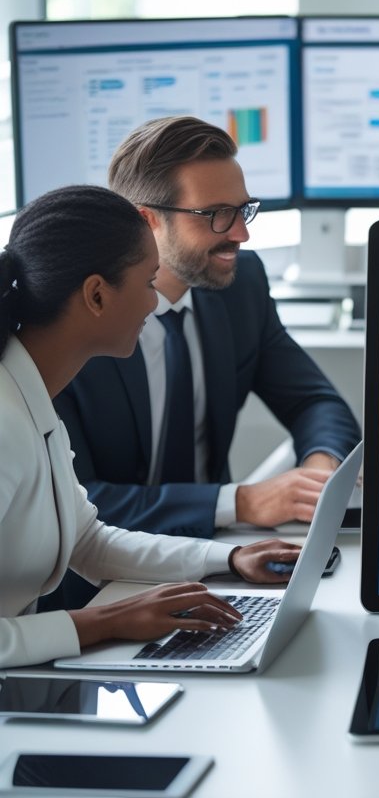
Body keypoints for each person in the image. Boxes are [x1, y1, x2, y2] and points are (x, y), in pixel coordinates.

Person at [1, 185, 301, 669]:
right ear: (97, 295)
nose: (154, 304)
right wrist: (108, 621)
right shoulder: (4, 424)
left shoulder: (32, 398)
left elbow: (88, 542)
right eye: (147, 283)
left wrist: (228, 559)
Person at [54, 116, 362, 549]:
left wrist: (319, 472)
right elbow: (74, 502)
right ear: (147, 222)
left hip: (221, 558)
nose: (241, 233)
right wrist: (239, 503)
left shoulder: (240, 286)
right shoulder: (77, 317)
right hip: (103, 580)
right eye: (217, 215)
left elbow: (314, 400)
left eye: (243, 209)